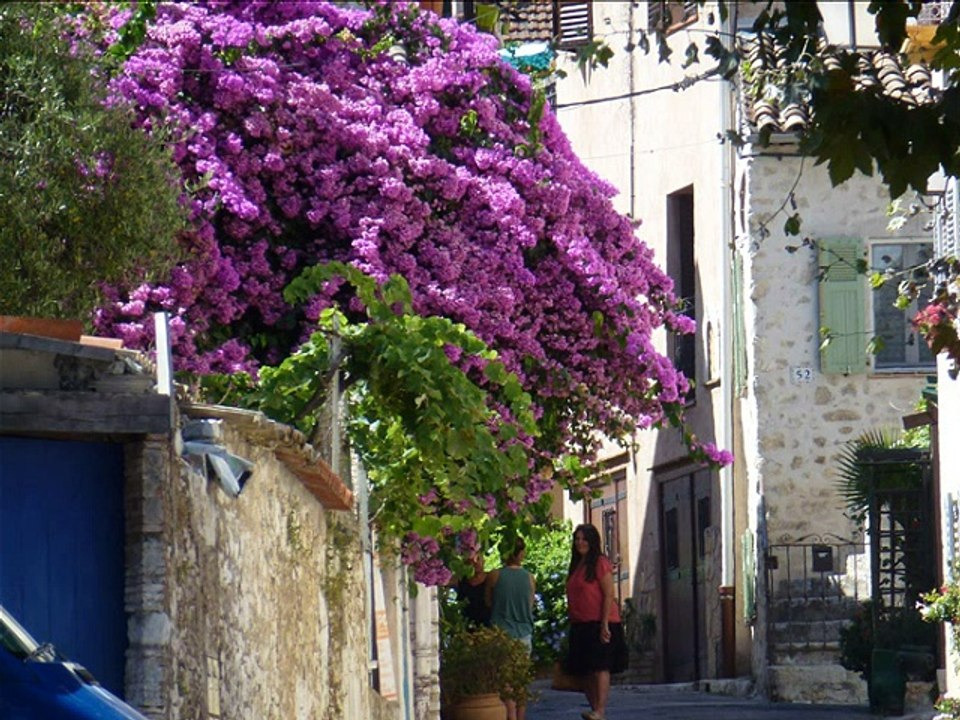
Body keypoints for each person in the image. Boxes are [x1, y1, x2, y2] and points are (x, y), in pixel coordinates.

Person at [564, 523, 628, 720]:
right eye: (577, 539)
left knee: (600, 667)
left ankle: (600, 710)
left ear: (592, 541)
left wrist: (604, 624)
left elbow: (608, 593)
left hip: (600, 621)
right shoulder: (577, 565)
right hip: (580, 623)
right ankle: (595, 709)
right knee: (584, 670)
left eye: (584, 539)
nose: (580, 543)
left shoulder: (600, 563)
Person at [485, 537, 535, 720]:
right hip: (524, 632)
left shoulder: (495, 576)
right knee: (520, 680)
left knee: (505, 680)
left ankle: (511, 716)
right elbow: (530, 605)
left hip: (502, 632)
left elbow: (488, 601)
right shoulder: (529, 578)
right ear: (522, 553)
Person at [455, 552, 490, 628]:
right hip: (466, 624)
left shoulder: (490, 578)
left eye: (478, 559)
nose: (475, 563)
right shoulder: (461, 580)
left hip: (488, 624)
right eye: (471, 560)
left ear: (483, 561)